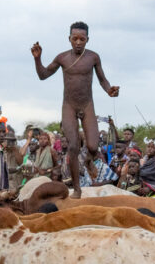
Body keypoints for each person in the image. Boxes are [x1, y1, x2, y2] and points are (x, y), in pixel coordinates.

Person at [30, 21, 120, 198]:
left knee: (94, 147)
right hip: (69, 105)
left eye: (82, 39)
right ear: (69, 39)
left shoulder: (93, 57)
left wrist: (109, 90)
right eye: (75, 38)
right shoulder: (62, 58)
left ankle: (88, 161)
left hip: (87, 105)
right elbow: (43, 75)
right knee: (72, 146)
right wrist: (37, 58)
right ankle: (77, 189)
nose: (78, 42)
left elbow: (102, 79)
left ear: (87, 40)